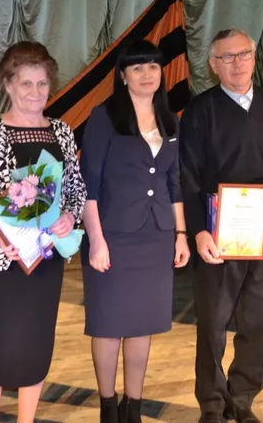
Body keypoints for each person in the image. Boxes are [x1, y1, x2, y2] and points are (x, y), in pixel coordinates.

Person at [179, 29, 263, 423]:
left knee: (259, 320)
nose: (237, 63)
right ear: (213, 65)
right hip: (219, 235)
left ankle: (243, 398)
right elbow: (187, 176)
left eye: (244, 54)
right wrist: (198, 231)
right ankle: (212, 404)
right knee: (212, 323)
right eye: (227, 57)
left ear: (254, 57)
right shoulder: (201, 110)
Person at [0, 40, 87, 423]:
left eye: (42, 83)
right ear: (7, 84)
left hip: (44, 259)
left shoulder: (62, 131)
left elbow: (76, 189)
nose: (35, 92)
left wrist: (69, 216)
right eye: (26, 83)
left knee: (37, 342)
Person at [80, 39, 191, 423]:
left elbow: (174, 181)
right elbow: (89, 184)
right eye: (138, 67)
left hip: (156, 235)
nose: (148, 74)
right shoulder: (104, 117)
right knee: (109, 324)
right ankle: (108, 406)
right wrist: (96, 240)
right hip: (113, 235)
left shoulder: (170, 120)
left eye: (154, 67)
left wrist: (180, 235)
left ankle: (134, 406)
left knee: (143, 324)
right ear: (123, 75)